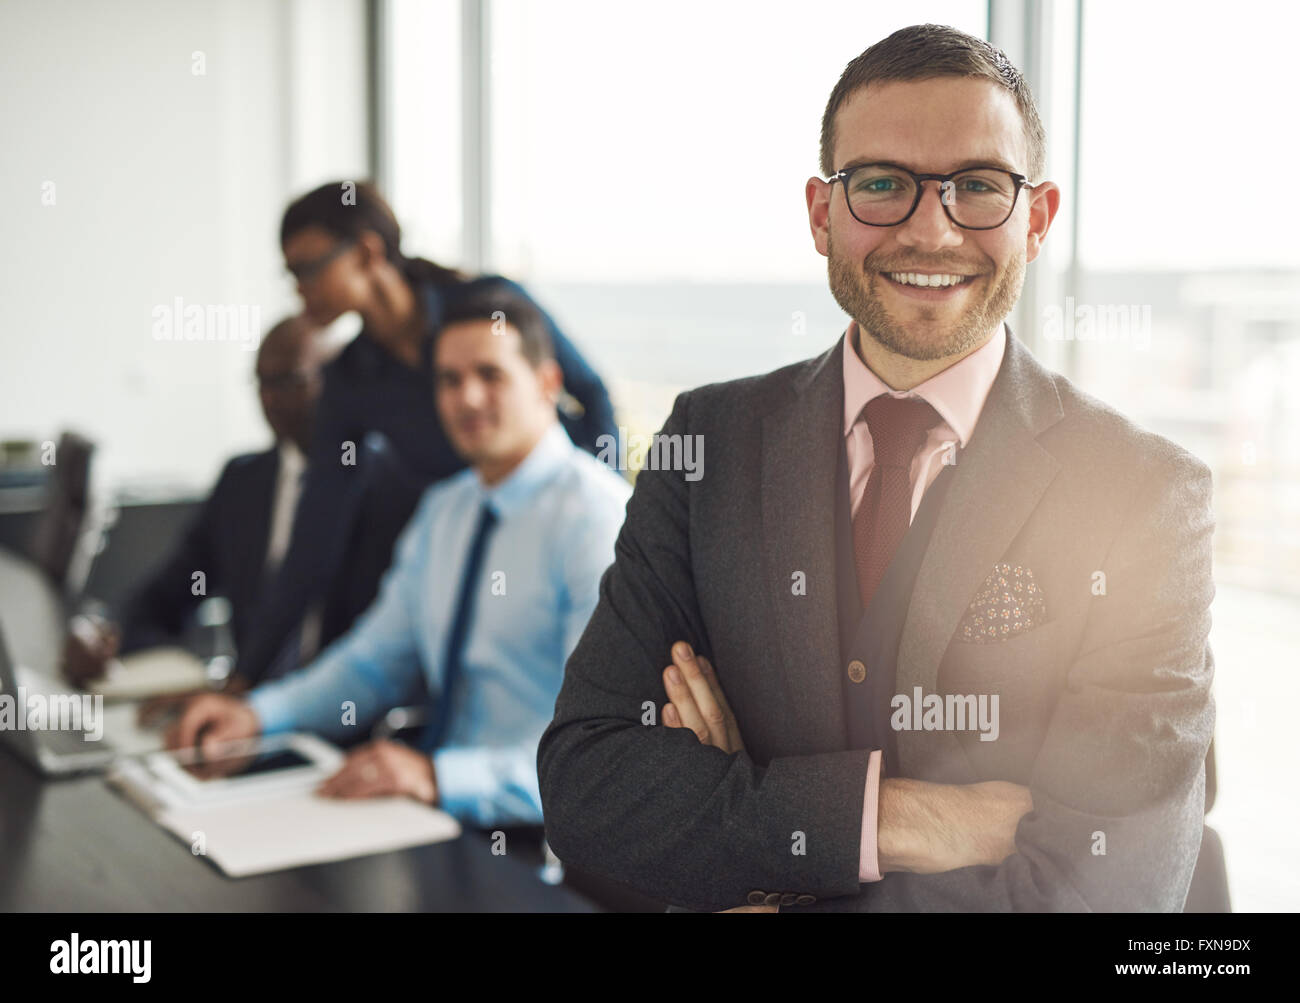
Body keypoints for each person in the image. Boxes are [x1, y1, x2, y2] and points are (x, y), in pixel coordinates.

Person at [537, 24, 1215, 912]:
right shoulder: (706, 443)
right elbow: (589, 782)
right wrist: (898, 819)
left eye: (978, 186)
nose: (930, 232)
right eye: (882, 184)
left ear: (1037, 219)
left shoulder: (1144, 495)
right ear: (822, 214)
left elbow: (1107, 887)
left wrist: (767, 865)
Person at [167, 286, 631, 827]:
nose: (467, 399)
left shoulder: (598, 523)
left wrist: (438, 778)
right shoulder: (446, 510)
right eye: (449, 380)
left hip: (543, 842)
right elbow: (370, 664)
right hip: (433, 817)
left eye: (490, 375)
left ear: (547, 383)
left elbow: (608, 753)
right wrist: (256, 716)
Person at [234, 181, 619, 687]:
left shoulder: (485, 308)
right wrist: (246, 677)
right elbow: (315, 532)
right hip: (459, 554)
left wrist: (603, 513)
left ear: (368, 252)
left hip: (546, 536)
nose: (298, 288)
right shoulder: (351, 378)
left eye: (307, 268)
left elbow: (589, 391)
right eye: (290, 274)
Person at [62, 315, 419, 693]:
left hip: (347, 717)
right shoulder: (243, 482)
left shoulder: (392, 486)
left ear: (339, 383)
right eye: (261, 383)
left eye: (287, 381)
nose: (268, 398)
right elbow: (171, 591)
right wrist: (104, 632)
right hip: (245, 705)